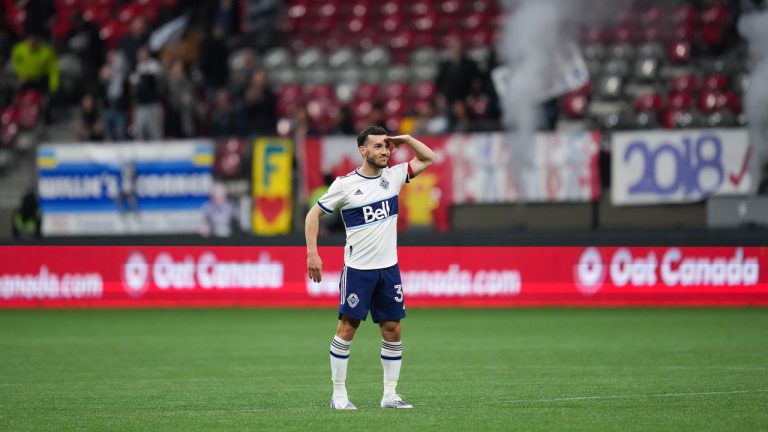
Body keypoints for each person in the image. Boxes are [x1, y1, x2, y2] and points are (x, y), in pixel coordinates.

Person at [305, 126, 436, 410]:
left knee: (393, 329)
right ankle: (338, 395)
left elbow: (428, 159)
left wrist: (407, 140)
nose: (385, 151)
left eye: (387, 146)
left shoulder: (395, 176)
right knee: (347, 328)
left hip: (388, 270)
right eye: (378, 146)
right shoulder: (345, 184)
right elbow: (313, 214)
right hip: (358, 271)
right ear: (362, 151)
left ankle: (390, 395)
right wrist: (312, 253)